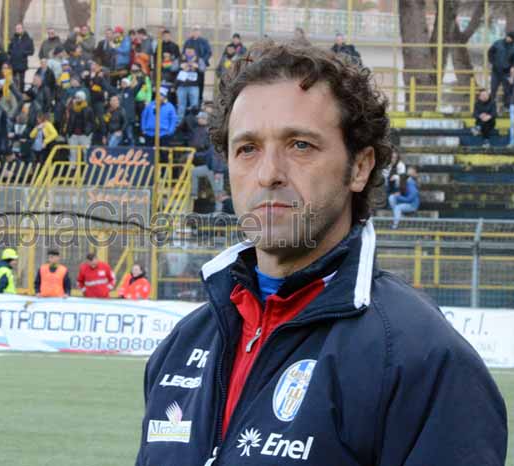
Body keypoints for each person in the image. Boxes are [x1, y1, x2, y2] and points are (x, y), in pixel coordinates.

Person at [134, 43, 506, 465]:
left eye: (300, 145)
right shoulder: (182, 345)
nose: (268, 174)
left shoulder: (422, 359)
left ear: (359, 167)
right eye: (247, 148)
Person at [64, 90, 94, 162]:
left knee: (86, 152)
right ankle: (72, 167)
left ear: (83, 98)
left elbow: (92, 122)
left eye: (79, 97)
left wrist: (88, 131)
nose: (77, 99)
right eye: (76, 97)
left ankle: (87, 167)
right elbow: (69, 121)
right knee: (72, 153)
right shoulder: (72, 109)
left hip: (84, 134)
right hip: (73, 134)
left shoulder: (88, 109)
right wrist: (68, 132)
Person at [488, 32, 514, 109]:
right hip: (495, 72)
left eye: (512, 39)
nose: (509, 39)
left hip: (507, 72)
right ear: (507, 36)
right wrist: (492, 62)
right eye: (509, 37)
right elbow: (490, 52)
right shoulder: (498, 43)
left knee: (507, 90)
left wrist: (511, 67)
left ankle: (506, 107)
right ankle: (491, 106)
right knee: (493, 89)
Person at [8, 23, 35, 92]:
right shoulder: (13, 39)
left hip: (22, 63)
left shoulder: (28, 39)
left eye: (19, 28)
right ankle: (14, 93)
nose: (18, 30)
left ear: (23, 29)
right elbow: (9, 50)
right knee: (13, 80)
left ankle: (21, 93)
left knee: (22, 81)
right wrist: (13, 52)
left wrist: (23, 53)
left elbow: (31, 52)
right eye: (16, 29)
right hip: (13, 63)